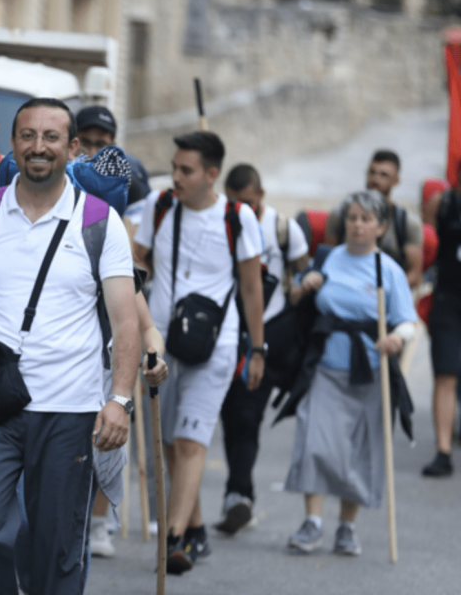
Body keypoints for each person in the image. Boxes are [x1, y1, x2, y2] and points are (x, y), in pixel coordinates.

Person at [0, 98, 142, 594]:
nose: (39, 147)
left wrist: (119, 400)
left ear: (73, 147)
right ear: (13, 145)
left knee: (55, 547)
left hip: (70, 408)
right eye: (29, 136)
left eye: (52, 137)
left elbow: (126, 324)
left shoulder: (100, 222)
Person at [132, 131, 265, 575]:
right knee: (168, 444)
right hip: (163, 343)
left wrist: (258, 348)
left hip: (217, 346)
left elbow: (251, 288)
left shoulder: (239, 218)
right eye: (173, 167)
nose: (175, 176)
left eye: (185, 170)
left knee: (190, 442)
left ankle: (176, 540)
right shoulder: (160, 205)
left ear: (212, 174)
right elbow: (136, 264)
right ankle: (198, 526)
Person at [278, 190, 417, 556]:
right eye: (353, 218)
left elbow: (408, 322)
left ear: (381, 227)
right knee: (314, 440)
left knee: (359, 449)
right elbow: (293, 297)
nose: (357, 225)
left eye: (366, 220)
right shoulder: (328, 258)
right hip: (324, 366)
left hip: (369, 371)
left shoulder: (387, 270)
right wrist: (304, 286)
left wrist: (395, 340)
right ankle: (313, 523)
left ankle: (347, 526)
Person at [216, 163, 309, 535]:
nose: (244, 212)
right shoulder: (220, 222)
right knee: (228, 413)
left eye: (250, 205)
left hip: (268, 334)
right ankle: (239, 494)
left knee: (247, 413)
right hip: (225, 330)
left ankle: (239, 495)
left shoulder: (283, 229)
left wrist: (305, 284)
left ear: (262, 198)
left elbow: (303, 271)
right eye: (236, 203)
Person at [325, 150, 423, 288]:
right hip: (345, 288)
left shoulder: (407, 223)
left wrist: (388, 294)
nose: (375, 180)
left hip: (387, 295)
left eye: (383, 175)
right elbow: (328, 260)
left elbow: (414, 274)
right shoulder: (340, 215)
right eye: (372, 172)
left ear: (396, 181)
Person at [419, 181, 461, 477]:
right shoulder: (442, 204)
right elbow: (428, 247)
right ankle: (443, 451)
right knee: (445, 373)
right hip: (447, 298)